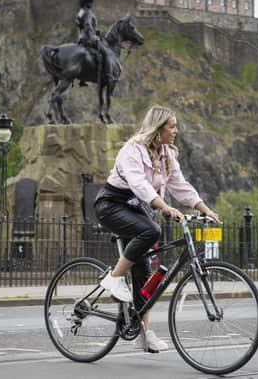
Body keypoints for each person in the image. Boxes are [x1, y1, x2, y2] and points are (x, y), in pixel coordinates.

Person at [94, 105, 220, 352]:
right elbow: (139, 185)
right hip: (111, 205)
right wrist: (165, 208)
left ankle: (145, 333)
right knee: (152, 230)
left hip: (138, 211)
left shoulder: (167, 155)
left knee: (145, 277)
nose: (176, 130)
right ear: (158, 128)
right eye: (172, 126)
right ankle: (114, 278)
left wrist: (204, 208)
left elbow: (180, 186)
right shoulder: (133, 149)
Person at [75, 0, 116, 86]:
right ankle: (109, 76)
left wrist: (96, 32)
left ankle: (83, 79)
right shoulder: (88, 13)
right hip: (88, 39)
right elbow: (88, 26)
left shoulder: (80, 12)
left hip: (80, 38)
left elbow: (81, 24)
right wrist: (94, 36)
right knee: (107, 53)